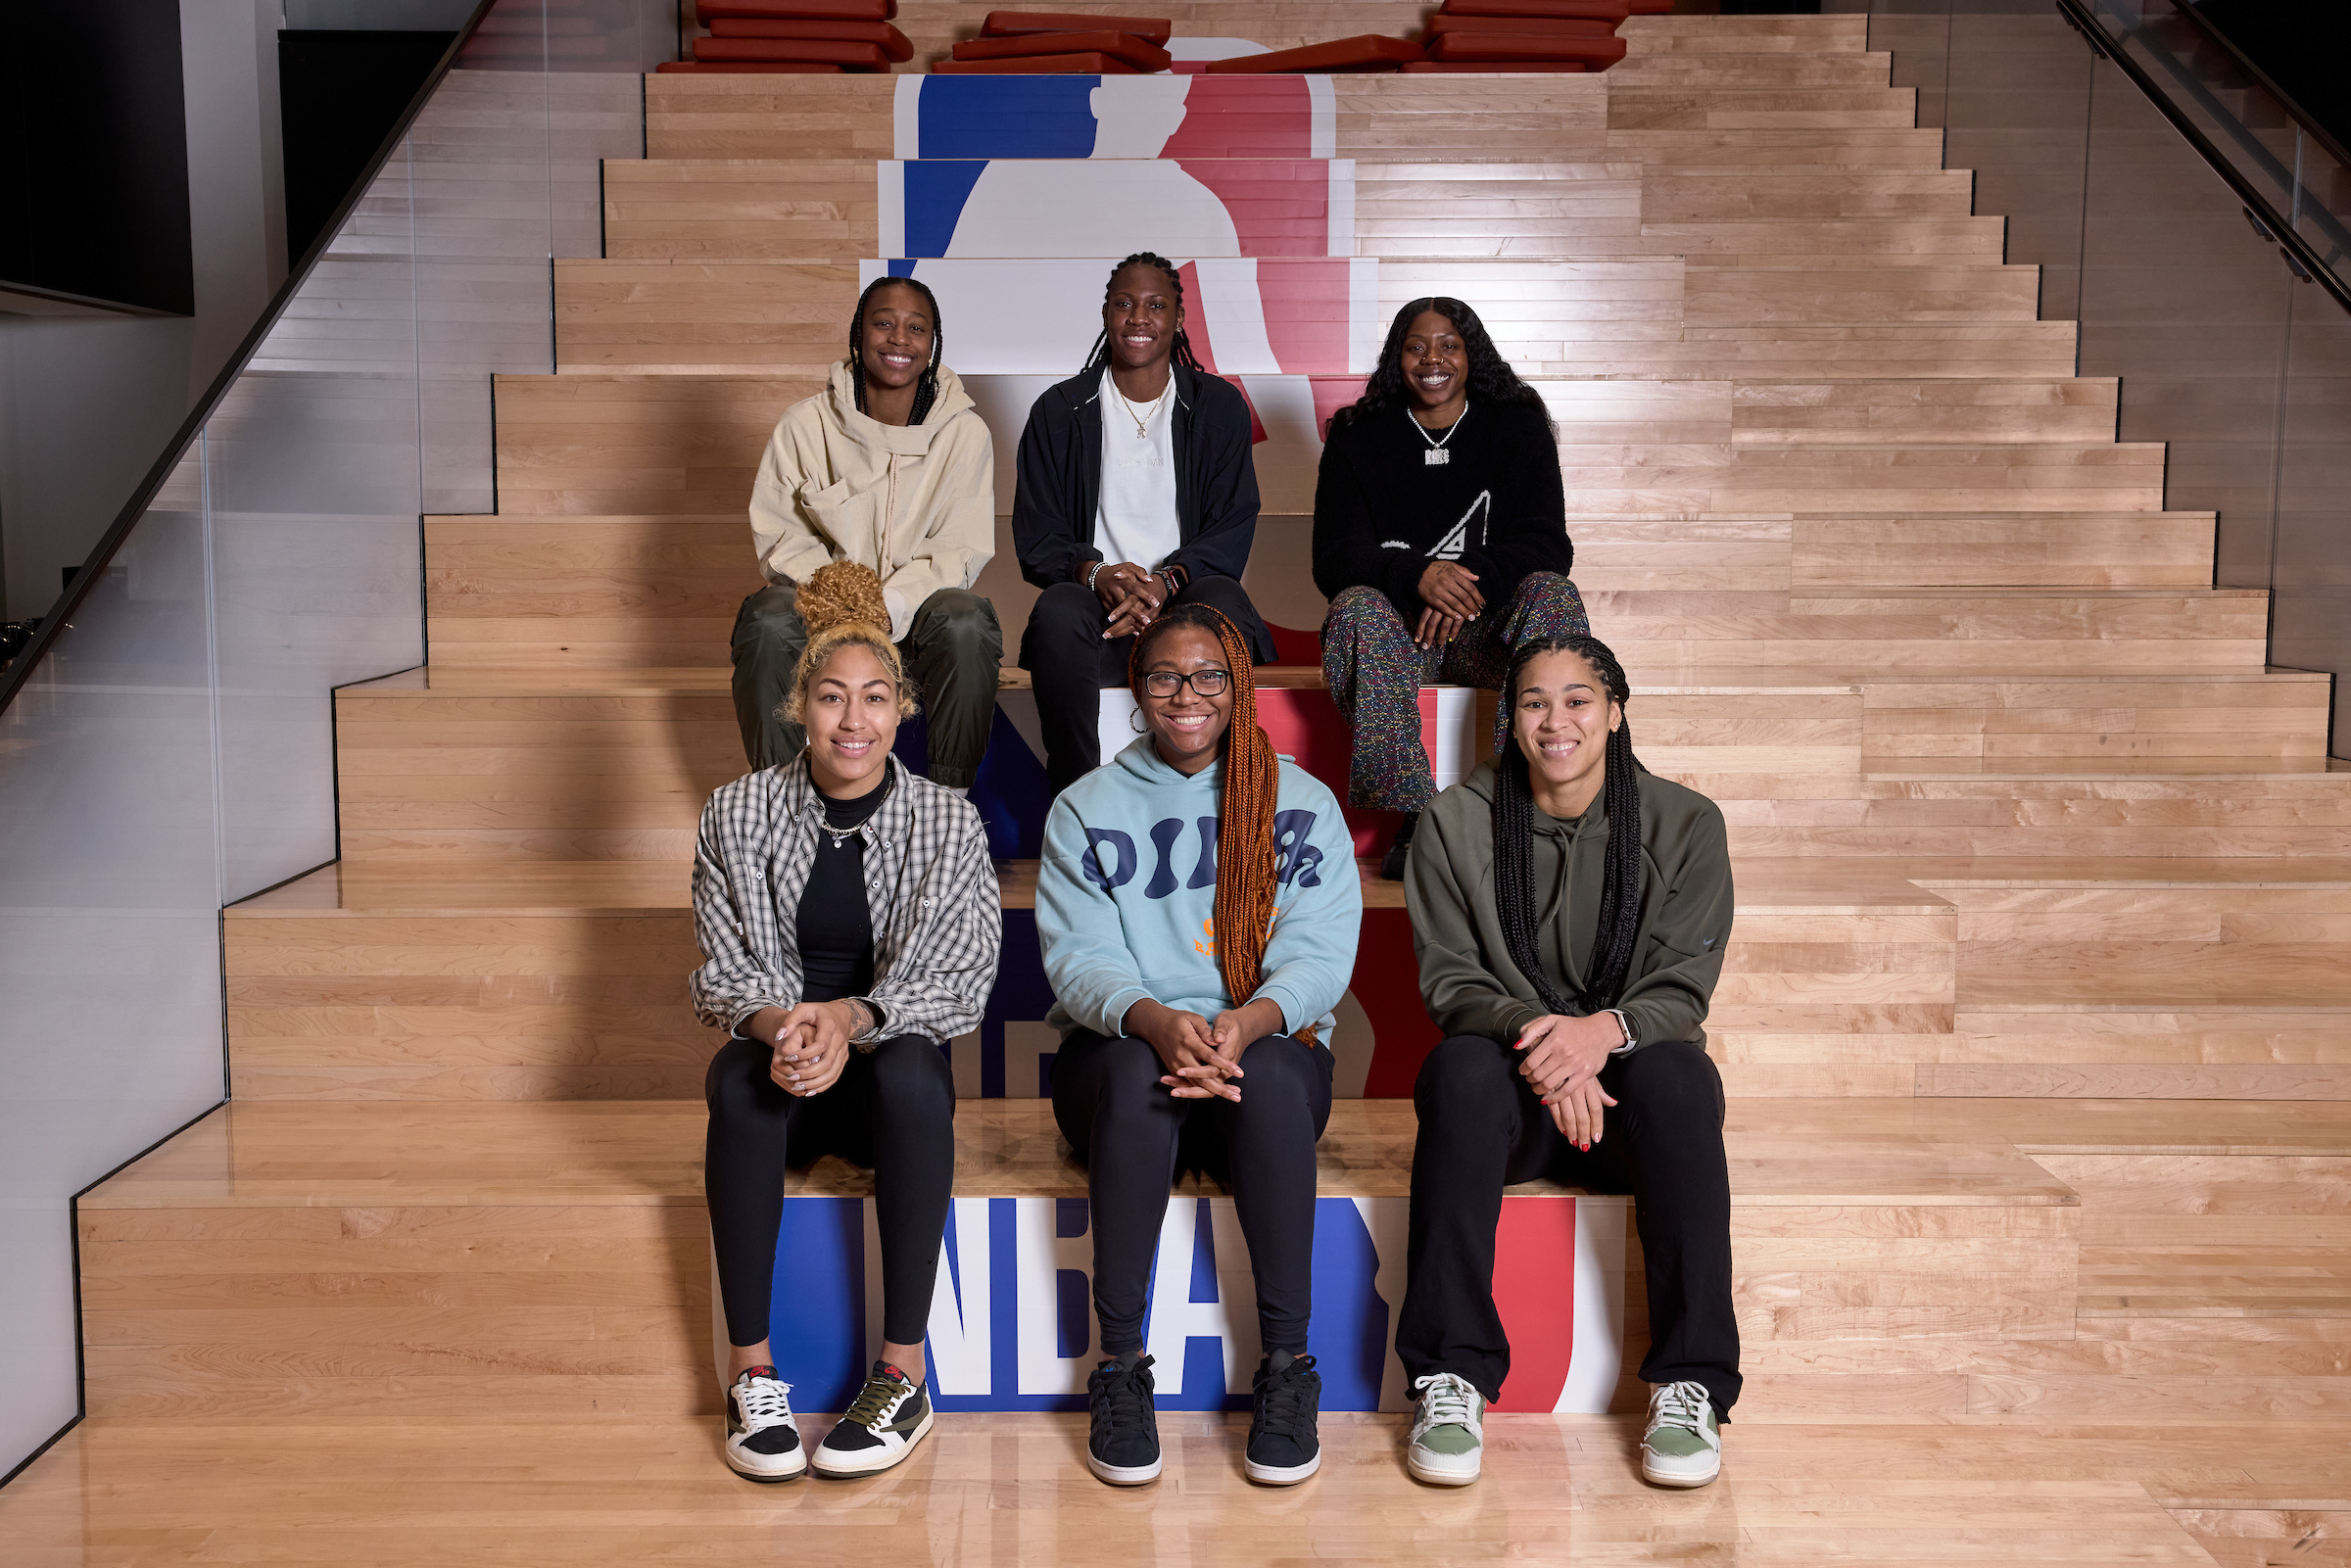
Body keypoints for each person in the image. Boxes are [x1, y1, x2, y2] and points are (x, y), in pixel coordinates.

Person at [1394, 635, 1738, 1491]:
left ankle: (1690, 1379)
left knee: (1682, 1076)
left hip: (1626, 1105)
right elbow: (1450, 981)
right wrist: (1553, 1044)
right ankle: (1451, 1375)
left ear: (1615, 714)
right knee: (1458, 1073)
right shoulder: (1452, 821)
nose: (1557, 721)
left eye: (1579, 699)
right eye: (1534, 702)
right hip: (1514, 1094)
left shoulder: (1686, 823)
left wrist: (1601, 1038)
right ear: (1509, 722)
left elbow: (1681, 986)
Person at [1035, 604, 1363, 1488]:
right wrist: (1156, 1021)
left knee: (1274, 1079)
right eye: (1165, 677)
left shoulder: (1300, 800)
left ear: (1239, 686)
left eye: (1210, 675)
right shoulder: (1085, 807)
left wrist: (1246, 1022)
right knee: (1139, 1078)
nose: (1188, 695)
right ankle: (1121, 1366)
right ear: (1137, 692)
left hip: (1264, 1039)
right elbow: (1080, 956)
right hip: (1122, 1048)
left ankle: (1288, 1368)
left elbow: (1319, 949)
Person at [692, 562, 1003, 1483]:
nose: (853, 720)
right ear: (800, 705)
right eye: (832, 698)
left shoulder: (948, 821)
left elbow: (963, 976)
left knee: (913, 1070)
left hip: (881, 1079)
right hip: (784, 1067)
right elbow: (720, 971)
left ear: (903, 710)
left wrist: (854, 1013)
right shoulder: (735, 811)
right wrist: (784, 1025)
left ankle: (902, 1371)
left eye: (874, 698)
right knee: (733, 1084)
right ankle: (753, 1372)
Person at [1313, 297, 1588, 879]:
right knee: (1355, 607)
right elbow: (1333, 558)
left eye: (1448, 345)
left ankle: (1519, 805)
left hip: (1487, 636)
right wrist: (1417, 576)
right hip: (1397, 640)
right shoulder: (1357, 436)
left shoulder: (1516, 427)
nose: (1432, 358)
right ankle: (1418, 815)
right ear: (1397, 358)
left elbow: (1547, 545)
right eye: (1417, 346)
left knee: (1553, 596)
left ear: (1471, 355)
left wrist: (1465, 585)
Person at [1012, 251, 1276, 794]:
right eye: (1124, 304)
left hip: (1187, 594)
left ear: (1179, 319)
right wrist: (1095, 575)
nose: (1139, 318)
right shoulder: (1059, 411)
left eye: (1156, 305)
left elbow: (1233, 521)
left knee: (1222, 601)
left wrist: (1166, 583)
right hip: (1096, 610)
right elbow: (1037, 535)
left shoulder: (1218, 406)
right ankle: (1077, 796)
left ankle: (1227, 793)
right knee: (1057, 612)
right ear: (1106, 314)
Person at [732, 275, 1002, 790]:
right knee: (766, 618)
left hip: (915, 622)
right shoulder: (804, 425)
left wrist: (890, 604)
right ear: (858, 335)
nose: (899, 338)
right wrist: (845, 601)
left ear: (932, 345)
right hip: (821, 615)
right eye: (883, 323)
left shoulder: (966, 434)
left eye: (915, 327)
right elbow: (782, 538)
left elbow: (958, 550)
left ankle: (950, 803)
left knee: (967, 619)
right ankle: (780, 803)